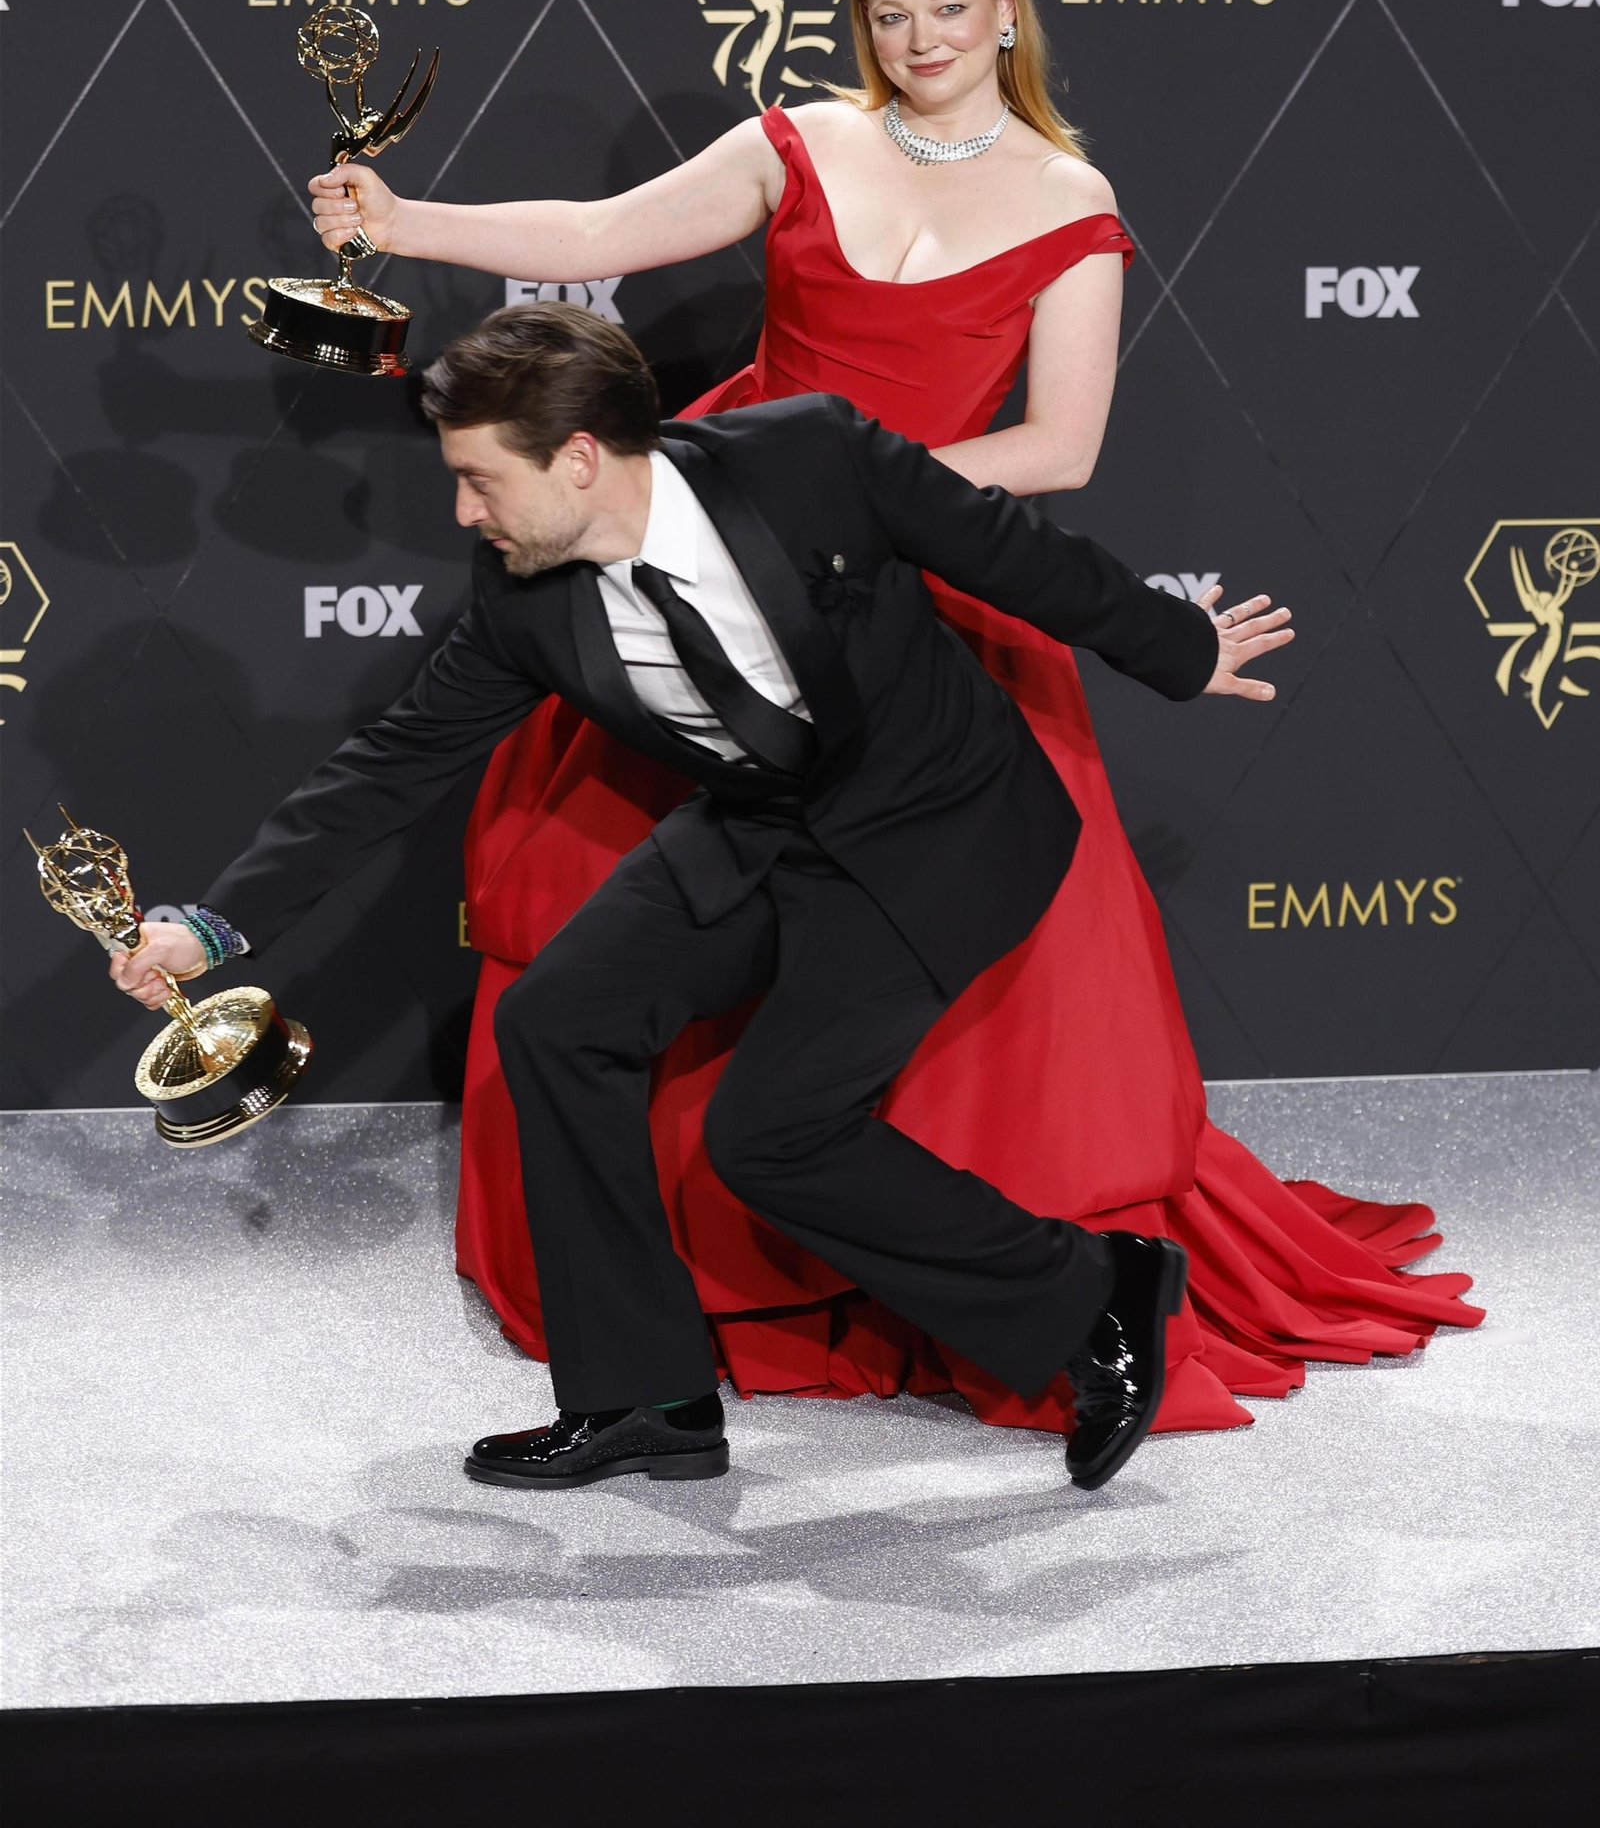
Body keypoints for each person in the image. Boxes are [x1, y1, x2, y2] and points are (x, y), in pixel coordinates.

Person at [305, 0, 1483, 1433]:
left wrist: (861, 496)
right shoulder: (796, 144)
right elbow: (596, 242)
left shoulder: (1071, 198)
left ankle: (1006, 1278)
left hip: (937, 590)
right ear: (857, 24)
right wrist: (406, 224)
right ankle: (663, 1327)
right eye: (887, 14)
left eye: (947, 9)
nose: (919, 43)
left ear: (1006, 9)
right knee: (616, 943)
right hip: (721, 570)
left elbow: (1059, 449)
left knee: (952, 956)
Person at [113, 302, 1293, 1491]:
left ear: (577, 456)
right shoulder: (522, 588)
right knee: (554, 1019)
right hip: (760, 820)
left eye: (479, 480)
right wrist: (213, 925)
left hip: (932, 829)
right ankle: (647, 1397)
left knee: (771, 1138)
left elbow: (1008, 553)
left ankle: (1097, 1294)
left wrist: (1179, 651)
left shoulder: (806, 457)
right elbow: (393, 760)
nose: (464, 512)